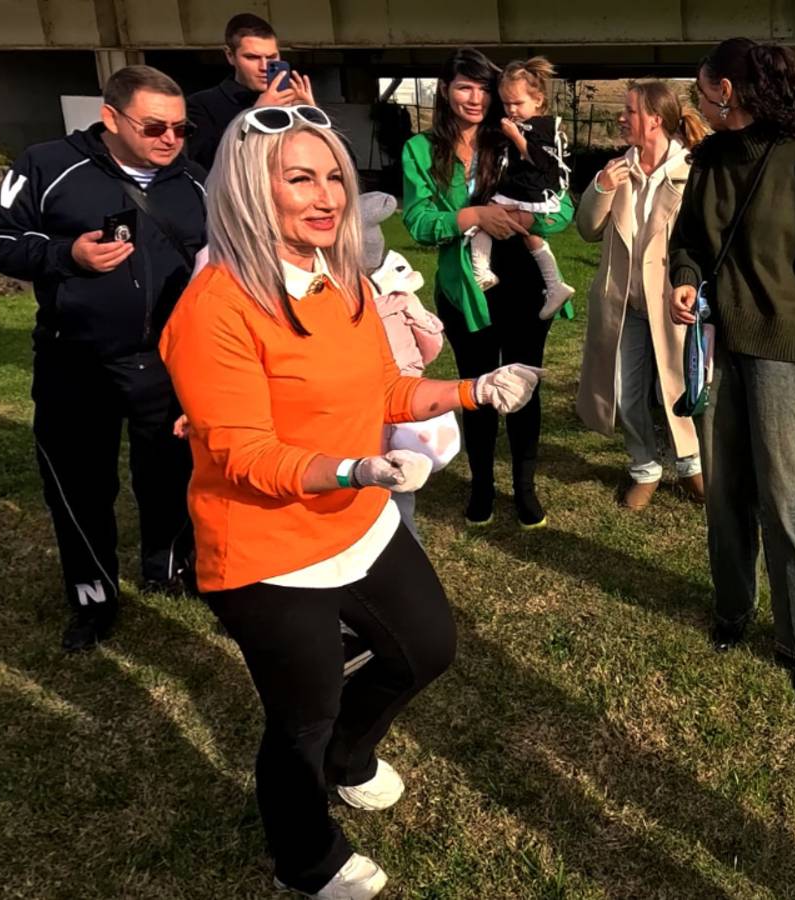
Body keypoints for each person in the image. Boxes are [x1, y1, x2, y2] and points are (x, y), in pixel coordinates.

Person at [160, 107, 540, 899]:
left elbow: (387, 388)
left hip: (358, 519)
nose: (327, 195)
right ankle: (304, 859)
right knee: (304, 716)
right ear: (248, 190)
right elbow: (243, 453)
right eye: (300, 178)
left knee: (426, 649)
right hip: (265, 550)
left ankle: (349, 758)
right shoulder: (215, 307)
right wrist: (353, 469)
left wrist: (475, 390)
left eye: (334, 174)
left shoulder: (345, 282)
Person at [0, 64, 206, 651]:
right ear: (111, 118)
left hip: (166, 362)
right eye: (155, 127)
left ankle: (170, 568)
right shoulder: (48, 164)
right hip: (74, 359)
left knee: (171, 474)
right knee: (79, 485)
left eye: (181, 128)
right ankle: (93, 595)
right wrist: (65, 254)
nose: (170, 140)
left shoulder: (195, 180)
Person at [669, 38, 795, 698]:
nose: (698, 100)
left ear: (727, 90)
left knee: (784, 500)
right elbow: (689, 239)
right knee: (724, 493)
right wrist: (683, 278)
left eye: (702, 88)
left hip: (782, 352)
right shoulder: (710, 158)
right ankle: (732, 610)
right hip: (717, 349)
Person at [401, 48, 569, 529]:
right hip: (465, 288)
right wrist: (472, 216)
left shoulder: (516, 137)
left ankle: (525, 487)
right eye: (464, 87)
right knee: (474, 389)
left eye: (483, 89)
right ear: (446, 90)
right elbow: (417, 220)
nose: (475, 99)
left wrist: (522, 219)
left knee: (523, 386)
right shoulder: (420, 150)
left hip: (523, 285)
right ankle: (481, 486)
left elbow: (562, 208)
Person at [575, 81, 708, 510]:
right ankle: (644, 468)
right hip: (624, 304)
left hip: (672, 304)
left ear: (654, 119)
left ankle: (691, 466)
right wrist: (601, 187)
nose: (621, 117)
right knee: (625, 391)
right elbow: (587, 230)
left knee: (678, 386)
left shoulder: (692, 172)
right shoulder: (617, 170)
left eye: (629, 110)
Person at [360, 190, 453, 541]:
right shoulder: (401, 299)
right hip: (403, 404)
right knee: (400, 488)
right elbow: (431, 347)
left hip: (360, 417)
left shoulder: (333, 304)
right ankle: (405, 545)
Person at [465, 56, 575, 319]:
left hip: (532, 195)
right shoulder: (522, 125)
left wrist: (515, 136)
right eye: (506, 104)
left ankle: (481, 271)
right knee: (531, 237)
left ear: (538, 100)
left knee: (482, 220)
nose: (511, 110)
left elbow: (540, 160)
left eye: (517, 103)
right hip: (525, 193)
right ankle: (555, 285)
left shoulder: (541, 128)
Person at [185, 13, 316, 172]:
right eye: (252, 57)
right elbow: (207, 168)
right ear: (230, 55)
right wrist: (254, 118)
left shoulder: (293, 103)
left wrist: (312, 119)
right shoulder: (201, 105)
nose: (264, 67)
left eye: (272, 57)